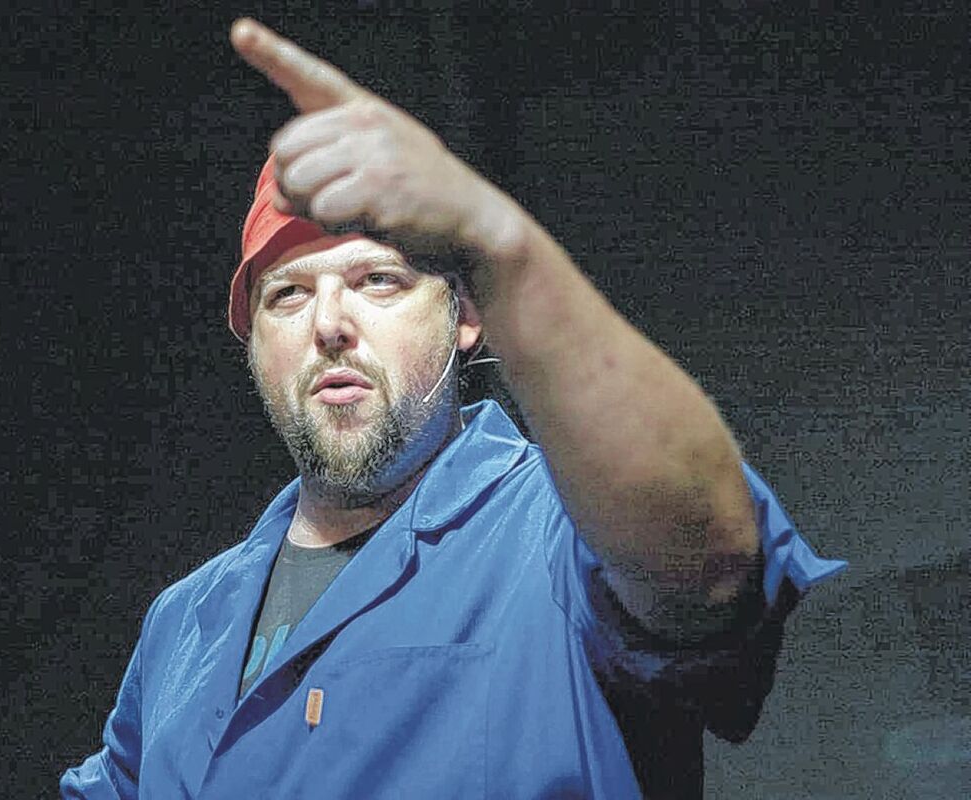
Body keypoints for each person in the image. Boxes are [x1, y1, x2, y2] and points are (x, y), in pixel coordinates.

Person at [61, 18, 846, 800]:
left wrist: (504, 246)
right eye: (287, 295)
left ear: (466, 316)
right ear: (252, 341)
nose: (328, 323)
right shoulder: (183, 622)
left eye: (378, 281)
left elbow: (704, 561)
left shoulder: (562, 527)